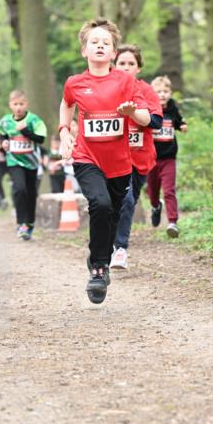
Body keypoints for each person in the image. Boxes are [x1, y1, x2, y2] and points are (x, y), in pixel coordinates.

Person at [59, 17, 150, 304]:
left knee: (110, 212)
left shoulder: (126, 82)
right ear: (84, 50)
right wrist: (64, 132)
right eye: (93, 42)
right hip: (86, 157)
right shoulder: (75, 83)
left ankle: (100, 254)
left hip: (120, 163)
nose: (100, 46)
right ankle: (99, 268)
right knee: (98, 203)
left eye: (106, 43)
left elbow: (146, 119)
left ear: (113, 53)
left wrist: (132, 113)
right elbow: (66, 105)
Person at [109, 44, 162, 270]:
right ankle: (120, 249)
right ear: (114, 65)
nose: (126, 67)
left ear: (138, 68)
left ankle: (114, 239)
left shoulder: (146, 91)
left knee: (128, 201)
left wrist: (135, 115)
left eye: (131, 64)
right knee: (126, 199)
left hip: (140, 158)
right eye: (122, 63)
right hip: (113, 157)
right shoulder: (107, 89)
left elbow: (157, 122)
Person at [0, 90, 47, 240]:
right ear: (10, 105)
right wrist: (3, 142)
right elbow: (2, 135)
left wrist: (25, 131)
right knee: (20, 189)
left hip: (31, 163)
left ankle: (30, 223)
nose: (18, 107)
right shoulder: (6, 121)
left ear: (27, 104)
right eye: (15, 104)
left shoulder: (34, 120)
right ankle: (21, 224)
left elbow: (40, 139)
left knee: (31, 193)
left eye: (21, 104)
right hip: (14, 161)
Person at [147, 74, 187, 238]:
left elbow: (178, 122)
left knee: (169, 190)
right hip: (151, 158)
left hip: (169, 157)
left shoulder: (172, 108)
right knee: (152, 191)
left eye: (165, 91)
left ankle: (172, 222)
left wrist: (183, 125)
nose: (162, 94)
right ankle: (156, 206)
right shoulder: (149, 109)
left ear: (170, 93)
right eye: (158, 92)